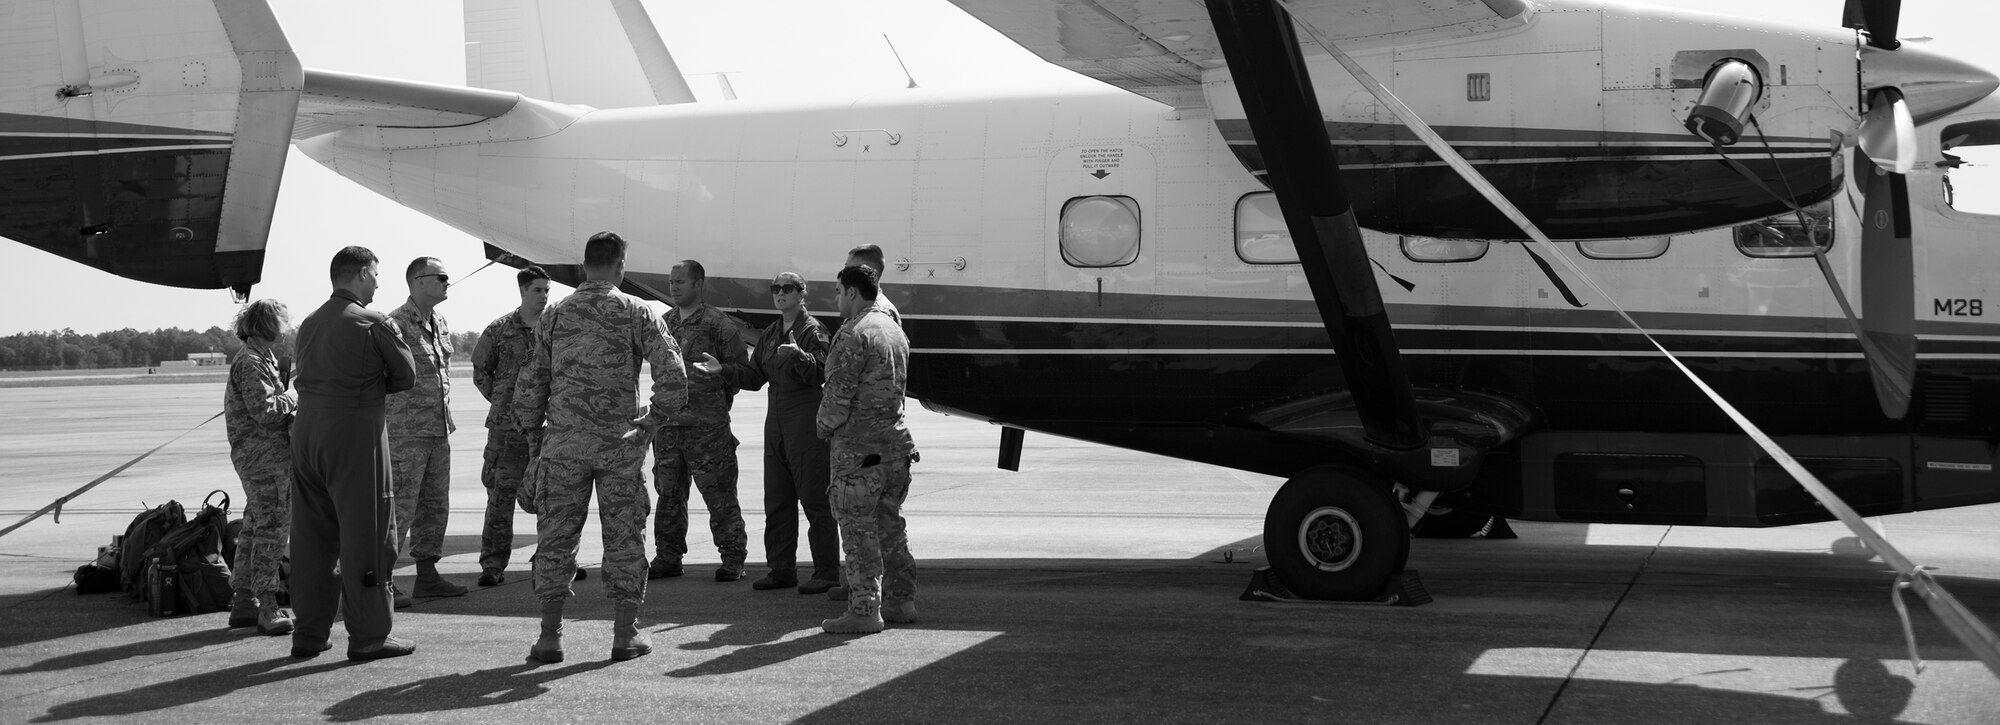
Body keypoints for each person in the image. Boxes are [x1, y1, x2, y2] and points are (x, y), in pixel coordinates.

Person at [514, 231, 688, 663]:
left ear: (584, 266)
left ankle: (550, 638)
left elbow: (530, 386)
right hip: (618, 446)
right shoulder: (634, 310)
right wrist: (649, 424)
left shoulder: (555, 314)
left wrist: (538, 440)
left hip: (564, 446)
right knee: (625, 538)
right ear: (620, 266)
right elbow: (673, 377)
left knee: (555, 540)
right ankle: (625, 635)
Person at [289, 245, 418, 661]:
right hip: (355, 434)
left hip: (308, 435)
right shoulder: (371, 321)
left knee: (311, 539)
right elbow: (407, 375)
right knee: (369, 535)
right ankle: (369, 635)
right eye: (377, 274)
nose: (380, 282)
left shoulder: (308, 323)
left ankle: (308, 634)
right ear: (361, 273)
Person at [816, 264, 919, 635]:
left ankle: (864, 609)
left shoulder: (853, 333)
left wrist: (823, 427)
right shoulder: (894, 329)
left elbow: (837, 396)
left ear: (853, 293)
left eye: (838, 292)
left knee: (858, 530)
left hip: (860, 450)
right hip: (895, 446)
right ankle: (900, 600)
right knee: (890, 524)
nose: (836, 300)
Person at [732, 272, 840, 594]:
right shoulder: (769, 334)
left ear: (801, 294)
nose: (780, 294)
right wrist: (722, 370)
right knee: (777, 501)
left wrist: (800, 357)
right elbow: (754, 377)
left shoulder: (812, 330)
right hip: (775, 426)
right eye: (776, 289)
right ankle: (781, 569)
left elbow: (823, 371)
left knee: (815, 500)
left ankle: (826, 572)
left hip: (805, 423)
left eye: (787, 288)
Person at [648, 260, 752, 582]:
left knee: (719, 496)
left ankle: (733, 557)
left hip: (707, 431)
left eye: (680, 281)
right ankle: (668, 556)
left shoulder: (718, 325)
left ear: (698, 284)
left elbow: (737, 373)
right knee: (668, 495)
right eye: (671, 281)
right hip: (668, 429)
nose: (674, 287)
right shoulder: (661, 324)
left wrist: (711, 407)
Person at [386, 256, 465, 604]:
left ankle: (427, 574)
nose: (448, 282)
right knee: (400, 508)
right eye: (441, 277)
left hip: (437, 430)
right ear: (418, 281)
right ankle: (383, 580)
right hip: (405, 434)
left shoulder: (440, 322)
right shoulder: (394, 325)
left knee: (435, 506)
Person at [470, 265, 552, 586]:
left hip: (544, 430)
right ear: (522, 291)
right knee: (501, 499)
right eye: (538, 290)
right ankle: (492, 565)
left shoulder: (555, 329)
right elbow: (480, 372)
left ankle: (550, 557)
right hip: (507, 433)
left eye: (547, 290)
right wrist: (505, 404)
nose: (544, 296)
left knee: (550, 497)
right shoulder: (499, 330)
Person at [223, 299, 297, 636]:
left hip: (262, 457)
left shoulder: (259, 359)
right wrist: (295, 395)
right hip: (264, 459)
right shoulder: (252, 362)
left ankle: (243, 602)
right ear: (268, 325)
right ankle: (267, 605)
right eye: (282, 324)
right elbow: (267, 411)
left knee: (254, 527)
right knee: (272, 528)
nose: (286, 331)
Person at [844, 244, 900, 324]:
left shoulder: (880, 313)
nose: (844, 273)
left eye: (848, 268)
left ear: (865, 271)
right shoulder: (863, 306)